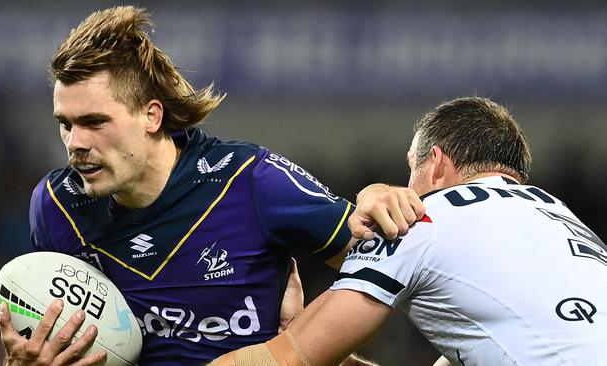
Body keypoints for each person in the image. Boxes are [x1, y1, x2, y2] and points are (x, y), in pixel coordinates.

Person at [0, 6, 424, 366]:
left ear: (152, 116)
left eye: (93, 122)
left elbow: (393, 264)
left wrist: (375, 198)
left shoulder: (250, 179)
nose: (75, 144)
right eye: (65, 125)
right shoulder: (56, 206)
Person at [210, 96, 607, 366]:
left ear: (434, 165)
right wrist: (305, 334)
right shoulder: (565, 223)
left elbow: (286, 361)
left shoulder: (419, 220)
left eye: (409, 169)